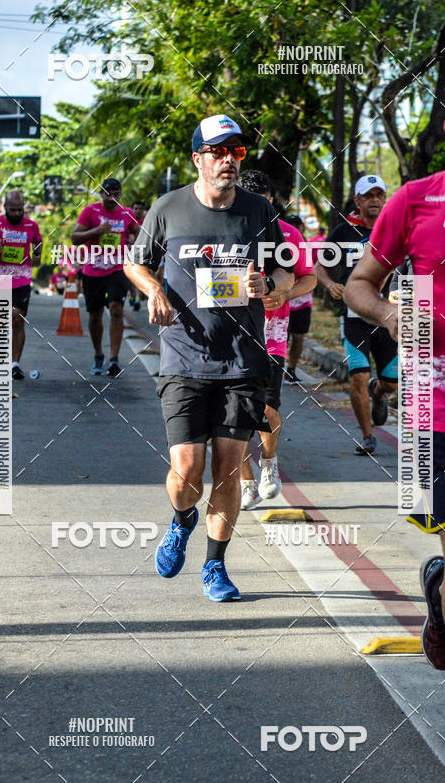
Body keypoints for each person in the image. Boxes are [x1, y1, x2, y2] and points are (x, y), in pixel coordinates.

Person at [344, 64, 445, 765]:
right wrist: (390, 315)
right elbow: (360, 282)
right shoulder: (416, 201)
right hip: (439, 406)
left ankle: (441, 595)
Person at [125, 114, 293, 601]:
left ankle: (215, 566)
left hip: (242, 360)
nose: (228, 160)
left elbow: (287, 272)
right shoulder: (169, 208)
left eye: (236, 152)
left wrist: (271, 284)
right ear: (198, 158)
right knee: (186, 472)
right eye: (218, 151)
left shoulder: (258, 211)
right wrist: (155, 289)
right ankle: (182, 519)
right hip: (184, 357)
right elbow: (135, 262)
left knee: (229, 465)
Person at [236, 170, 317, 509]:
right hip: (232, 337)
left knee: (268, 408)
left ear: (271, 202)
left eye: (263, 203)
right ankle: (245, 482)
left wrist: (285, 294)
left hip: (272, 337)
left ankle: (269, 462)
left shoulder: (288, 234)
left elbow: (309, 278)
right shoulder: (226, 230)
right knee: (234, 418)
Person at [314, 175, 397, 454]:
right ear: (358, 200)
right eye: (368, 195)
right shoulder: (343, 231)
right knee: (358, 376)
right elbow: (318, 268)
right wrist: (330, 285)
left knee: (391, 383)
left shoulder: (394, 228)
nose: (375, 200)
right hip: (353, 316)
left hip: (388, 315)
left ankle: (378, 391)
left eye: (379, 195)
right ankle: (367, 436)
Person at [72, 178, 139, 375]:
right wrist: (97, 231)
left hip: (118, 268)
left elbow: (137, 233)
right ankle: (99, 354)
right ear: (101, 193)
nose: (111, 198)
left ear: (120, 194)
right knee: (95, 315)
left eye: (116, 194)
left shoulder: (127, 213)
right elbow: (75, 238)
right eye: (108, 194)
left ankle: (114, 359)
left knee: (116, 309)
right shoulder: (90, 211)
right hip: (93, 270)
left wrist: (133, 239)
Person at [0, 190, 42, 380]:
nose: (16, 213)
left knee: (18, 318)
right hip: (0, 279)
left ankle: (15, 365)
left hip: (22, 279)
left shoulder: (31, 225)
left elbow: (38, 241)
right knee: (2, 322)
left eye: (19, 209)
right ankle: (1, 351)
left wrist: (37, 254)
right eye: (12, 210)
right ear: (5, 207)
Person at [285, 219, 326, 384]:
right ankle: (274, 371)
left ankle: (291, 370)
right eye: (292, 227)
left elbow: (317, 269)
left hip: (303, 301)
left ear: (302, 228)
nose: (295, 230)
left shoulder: (310, 247)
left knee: (299, 337)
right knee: (282, 339)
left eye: (298, 226)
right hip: (282, 302)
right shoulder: (278, 245)